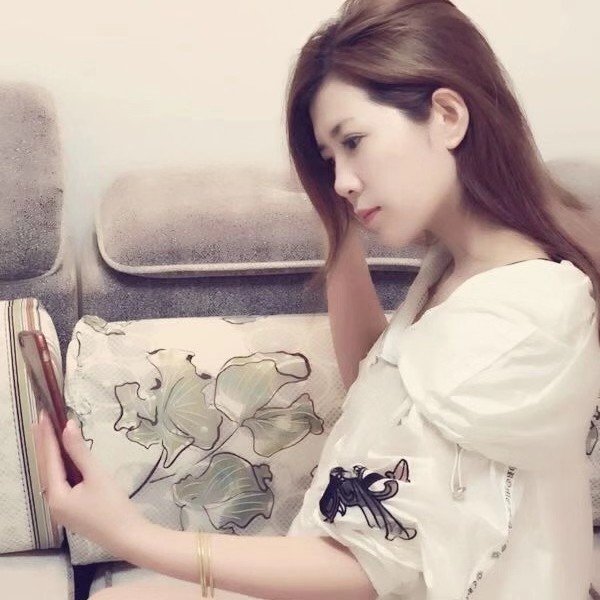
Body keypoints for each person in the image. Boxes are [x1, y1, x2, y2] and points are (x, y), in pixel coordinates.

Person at [33, 0, 600, 598]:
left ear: (447, 115)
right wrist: (340, 232)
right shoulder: (461, 267)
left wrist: (134, 538)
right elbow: (381, 384)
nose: (342, 180)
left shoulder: (525, 314)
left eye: (353, 141)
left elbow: (370, 568)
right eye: (330, 160)